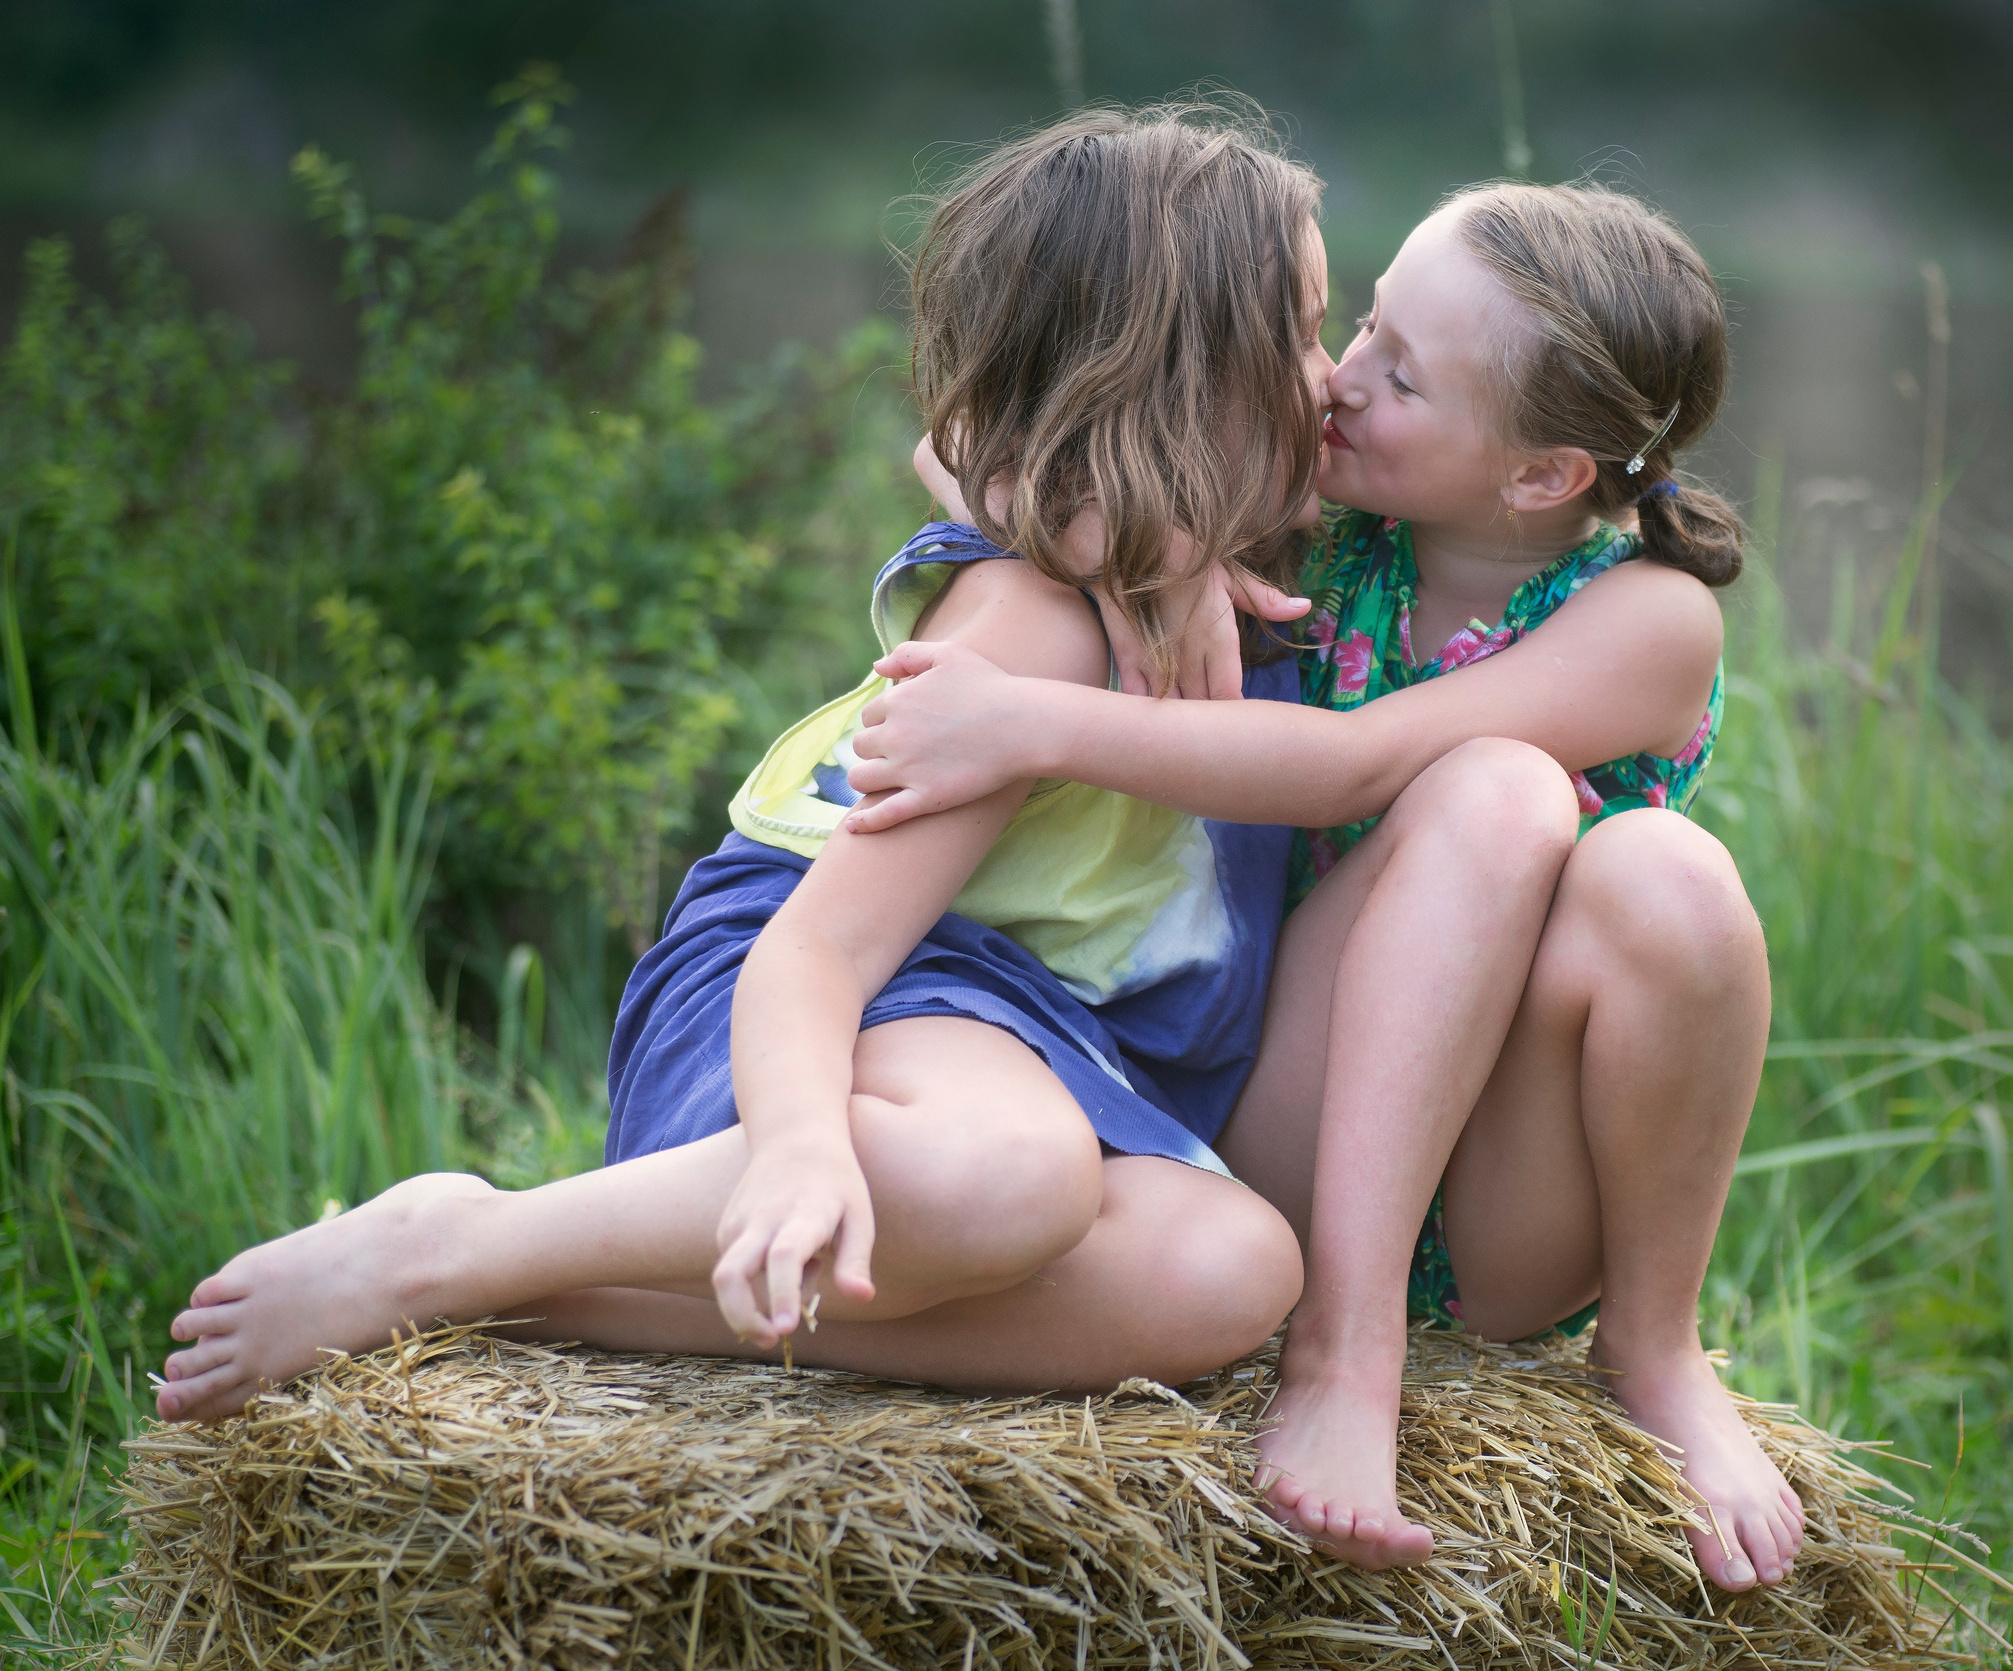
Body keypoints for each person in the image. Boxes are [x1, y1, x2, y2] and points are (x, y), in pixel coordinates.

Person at [150, 102, 1378, 1423]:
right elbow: (818, 954)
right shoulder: (1033, 626)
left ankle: (531, 1300)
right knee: (1000, 1183)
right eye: (1300, 332)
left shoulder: (1260, 572)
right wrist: (797, 1149)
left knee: (1233, 1272)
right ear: (1184, 379)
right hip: (820, 1004)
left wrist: (1172, 541)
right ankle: (456, 1241)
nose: (1336, 376)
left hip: (1036, 1052)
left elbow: (959, 451)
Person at [852, 181, 1806, 1589]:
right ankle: (1337, 1344)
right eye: (1365, 321)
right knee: (1502, 796)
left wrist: (1045, 721)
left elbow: (1360, 769)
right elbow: (955, 440)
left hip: (1500, 1208)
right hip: (1286, 1137)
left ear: (1542, 476)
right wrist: (1152, 559)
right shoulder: (1313, 517)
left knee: (1638, 858)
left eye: (1403, 374)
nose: (1341, 380)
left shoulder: (1646, 620)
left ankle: (1651, 1349)